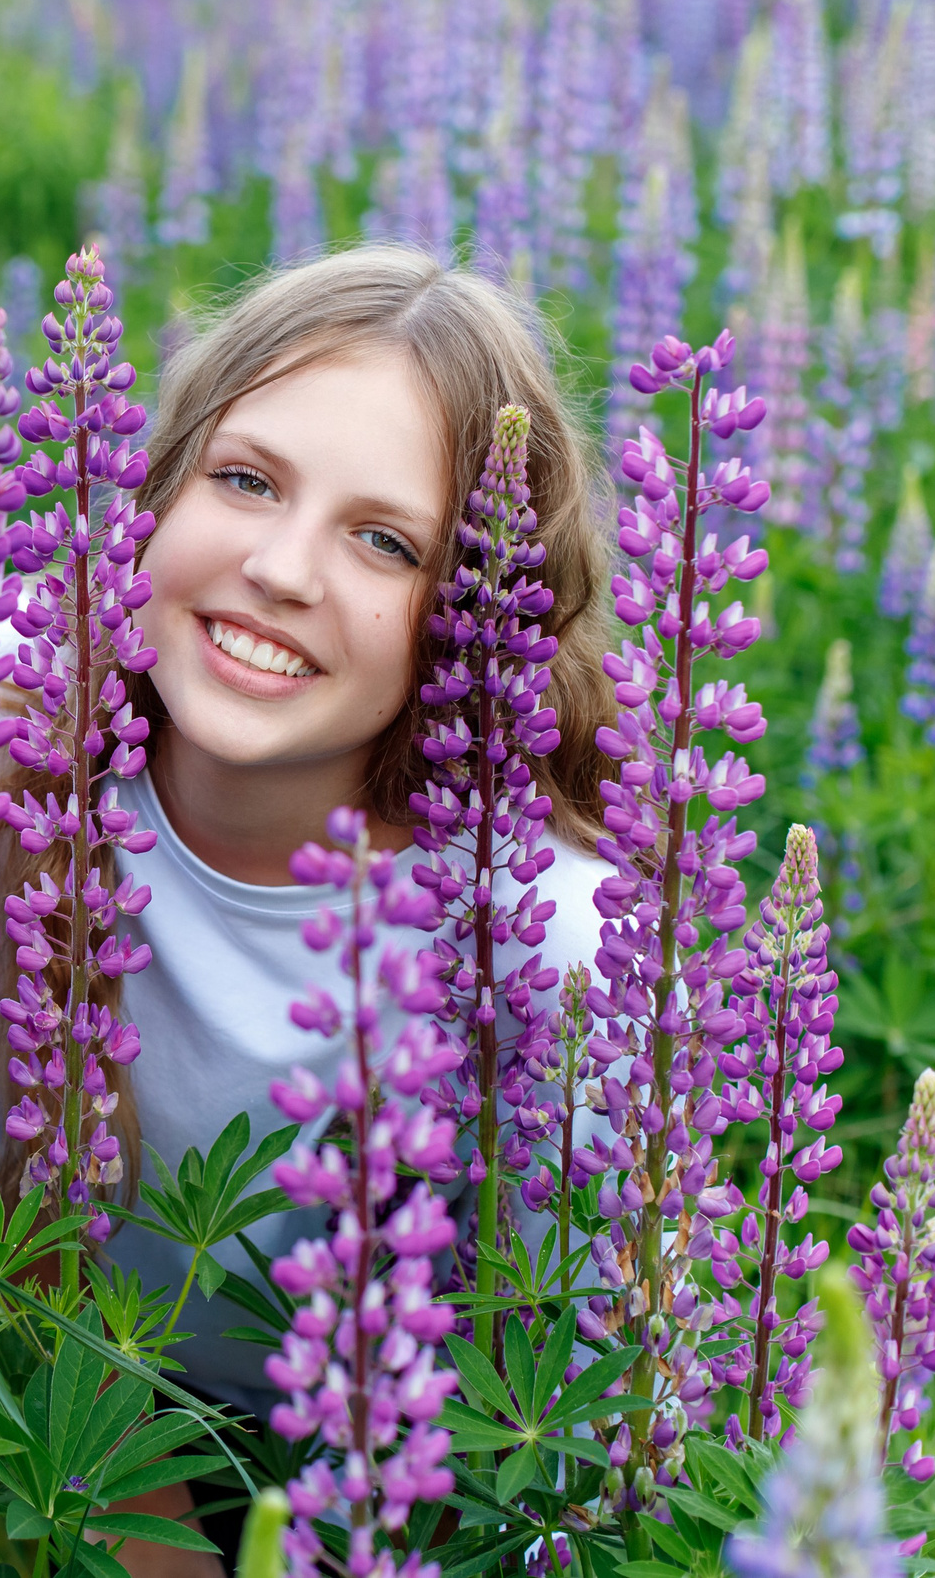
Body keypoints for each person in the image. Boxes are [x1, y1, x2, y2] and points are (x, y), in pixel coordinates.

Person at [46, 244, 622, 1572]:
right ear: (157, 485)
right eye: (244, 479)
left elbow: (559, 1454)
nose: (283, 567)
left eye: (385, 539)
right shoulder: (3, 747)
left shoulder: (545, 945)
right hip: (16, 1462)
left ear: (477, 619)